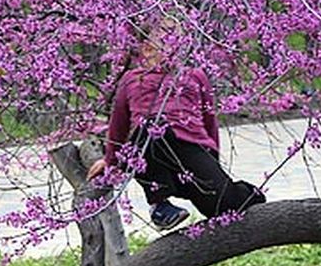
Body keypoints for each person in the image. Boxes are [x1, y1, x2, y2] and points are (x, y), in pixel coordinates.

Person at [87, 29, 266, 229]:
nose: (178, 48)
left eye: (180, 43)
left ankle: (241, 193)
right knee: (152, 128)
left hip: (192, 149)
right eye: (170, 42)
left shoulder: (195, 76)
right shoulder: (131, 80)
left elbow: (209, 121)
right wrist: (110, 163)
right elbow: (117, 127)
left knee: (222, 207)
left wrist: (212, 161)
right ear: (147, 50)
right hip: (154, 156)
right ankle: (160, 204)